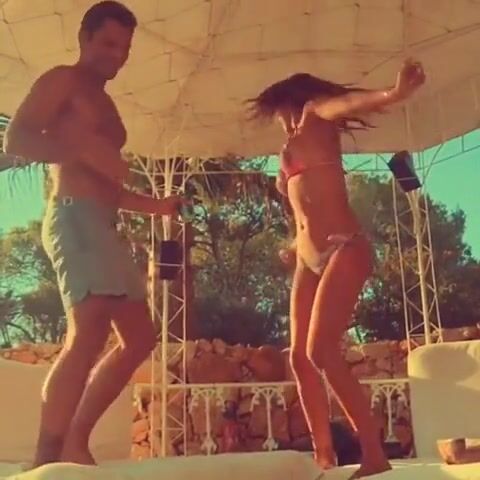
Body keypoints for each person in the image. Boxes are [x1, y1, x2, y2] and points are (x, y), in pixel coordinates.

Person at [4, 1, 184, 467]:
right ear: (84, 39)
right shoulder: (63, 80)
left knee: (139, 337)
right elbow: (17, 139)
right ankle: (45, 458)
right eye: (108, 43)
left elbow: (108, 185)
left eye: (124, 48)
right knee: (88, 332)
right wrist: (80, 147)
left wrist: (157, 206)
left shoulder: (104, 102)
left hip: (102, 221)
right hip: (73, 217)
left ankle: (74, 440)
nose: (117, 55)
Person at [248, 59, 425, 478]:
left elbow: (348, 103)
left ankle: (374, 453)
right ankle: (323, 455)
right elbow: (305, 204)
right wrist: (294, 243)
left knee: (321, 351)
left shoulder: (315, 113)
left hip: (345, 246)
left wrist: (395, 94)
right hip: (308, 258)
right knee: (299, 358)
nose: (278, 121)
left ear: (290, 102)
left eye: (278, 111)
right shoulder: (293, 139)